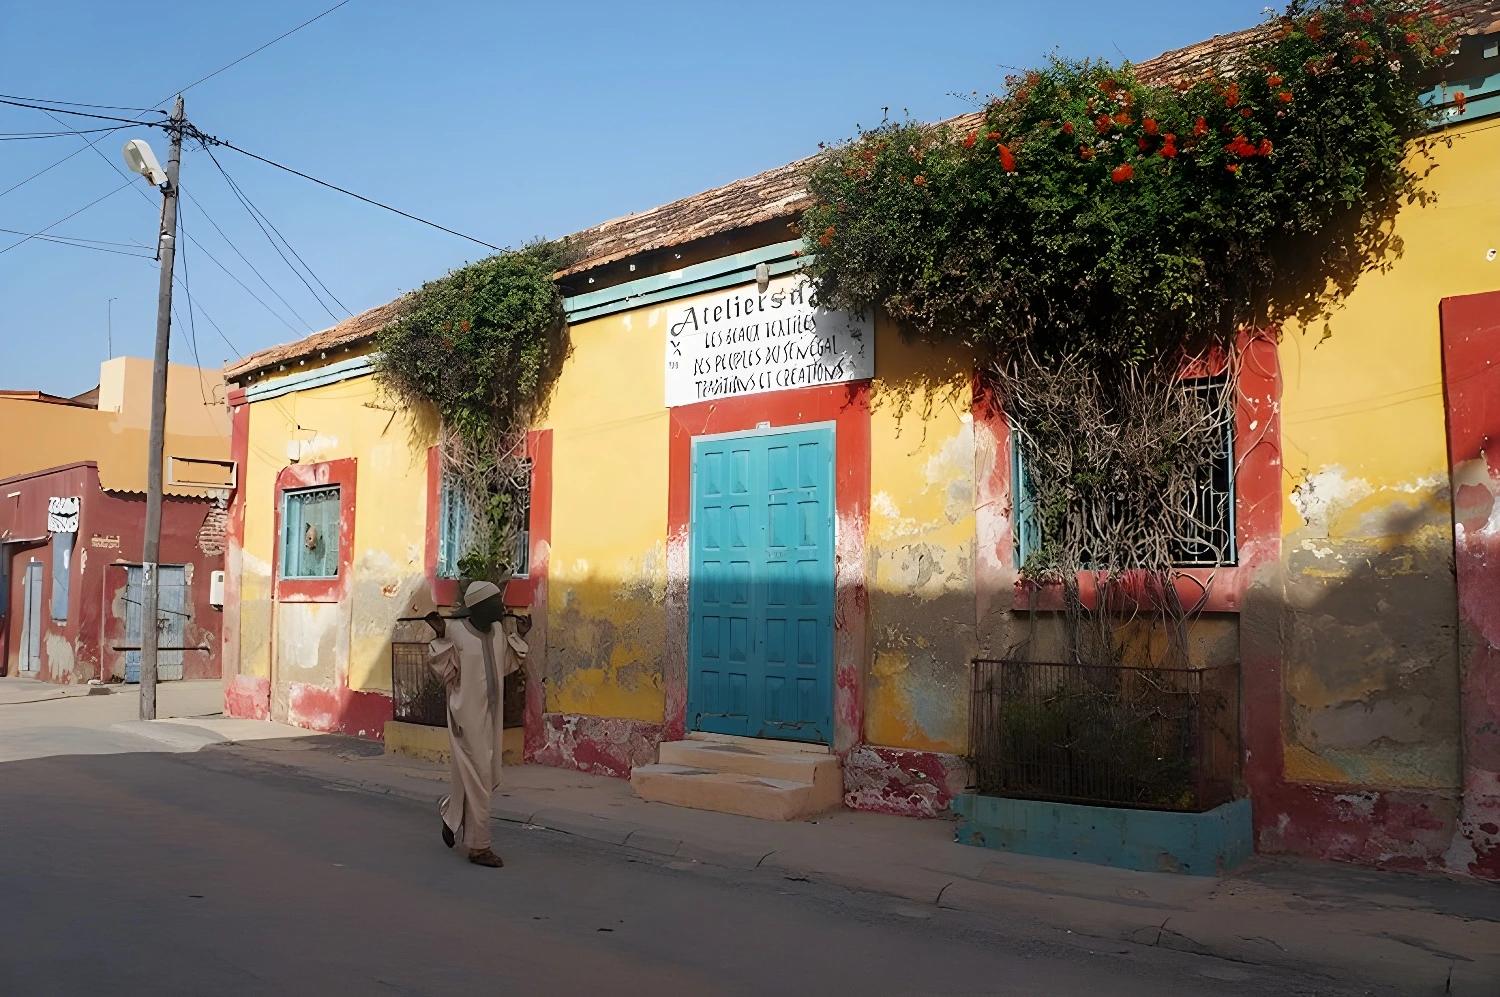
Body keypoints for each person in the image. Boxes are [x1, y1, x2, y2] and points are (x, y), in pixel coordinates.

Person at [424, 580, 526, 868]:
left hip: (491, 718)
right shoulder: (455, 631)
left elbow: (505, 665)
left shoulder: (496, 632)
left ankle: (450, 814)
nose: (502, 608)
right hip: (465, 718)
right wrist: (442, 638)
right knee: (480, 776)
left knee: (481, 776)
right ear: (480, 607)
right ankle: (479, 847)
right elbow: (447, 673)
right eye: (496, 603)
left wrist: (519, 636)